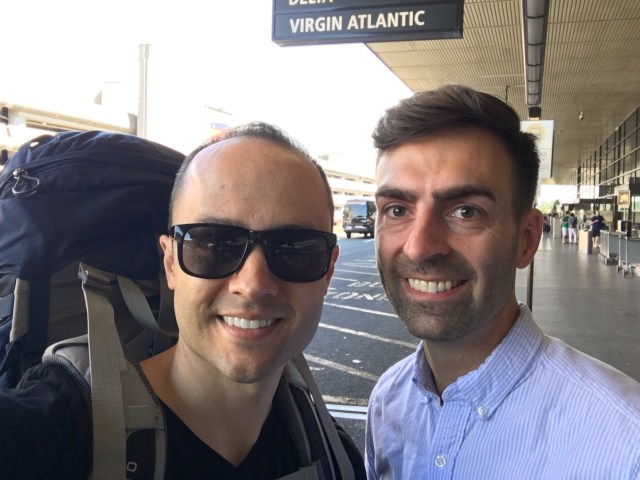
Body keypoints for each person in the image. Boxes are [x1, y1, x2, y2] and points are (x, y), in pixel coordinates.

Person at [0, 122, 366, 480]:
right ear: (171, 263)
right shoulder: (57, 429)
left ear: (328, 271)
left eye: (295, 248)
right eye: (214, 244)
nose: (253, 285)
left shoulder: (334, 454)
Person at [365, 85, 640, 479]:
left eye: (465, 211)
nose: (420, 247)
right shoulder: (388, 402)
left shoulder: (626, 446)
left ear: (526, 240)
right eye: (396, 210)